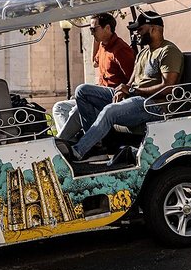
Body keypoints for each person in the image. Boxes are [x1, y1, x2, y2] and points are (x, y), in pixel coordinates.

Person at [69, 11, 184, 161]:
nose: (137, 33)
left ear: (154, 29)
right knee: (82, 91)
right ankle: (96, 146)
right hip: (134, 98)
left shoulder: (168, 51)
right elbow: (130, 82)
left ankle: (79, 150)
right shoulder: (144, 53)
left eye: (140, 29)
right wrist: (123, 89)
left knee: (109, 110)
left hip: (152, 104)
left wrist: (132, 90)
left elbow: (168, 87)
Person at [52, 12, 134, 142]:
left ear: (107, 28)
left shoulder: (120, 49)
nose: (91, 32)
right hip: (99, 94)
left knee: (80, 100)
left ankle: (62, 142)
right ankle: (71, 141)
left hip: (112, 98)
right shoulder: (103, 46)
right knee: (59, 108)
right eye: (90, 29)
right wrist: (96, 39)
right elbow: (94, 62)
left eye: (93, 29)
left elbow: (132, 79)